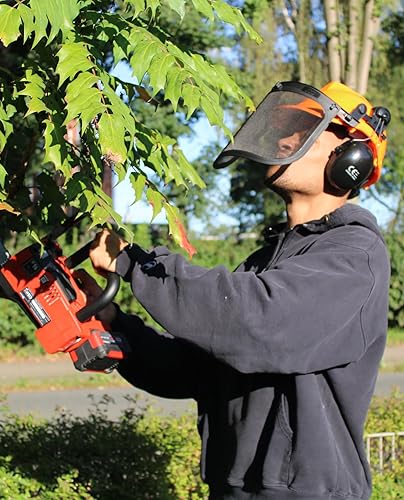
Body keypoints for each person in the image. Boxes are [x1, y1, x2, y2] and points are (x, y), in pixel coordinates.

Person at [75, 81, 392, 499]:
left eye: (307, 130)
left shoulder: (355, 256)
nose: (286, 140)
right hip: (235, 488)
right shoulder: (264, 262)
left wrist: (134, 263)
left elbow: (256, 321)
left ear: (352, 159)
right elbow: (191, 368)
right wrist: (113, 322)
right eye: (288, 129)